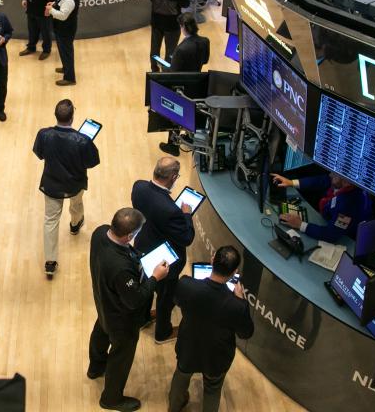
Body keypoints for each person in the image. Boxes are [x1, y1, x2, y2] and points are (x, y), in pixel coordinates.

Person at [89, 208, 170, 412]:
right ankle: (111, 398)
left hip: (103, 300)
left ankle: (96, 367)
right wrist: (155, 277)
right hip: (122, 319)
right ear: (129, 236)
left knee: (101, 329)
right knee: (121, 356)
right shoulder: (120, 268)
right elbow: (135, 300)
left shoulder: (100, 232)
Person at [168, 246, 254, 412]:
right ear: (234, 272)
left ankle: (173, 407)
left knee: (181, 376)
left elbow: (177, 300)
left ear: (212, 260)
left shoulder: (186, 284)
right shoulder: (237, 306)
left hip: (188, 347)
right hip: (217, 356)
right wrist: (241, 301)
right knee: (213, 388)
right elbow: (246, 333)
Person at [32, 99, 101, 279]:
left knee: (50, 220)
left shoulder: (44, 134)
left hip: (51, 184)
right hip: (74, 184)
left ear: (56, 116)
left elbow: (39, 154)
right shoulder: (83, 140)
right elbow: (92, 162)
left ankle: (50, 262)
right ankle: (75, 225)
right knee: (76, 205)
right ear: (72, 118)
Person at [130, 157, 195, 344]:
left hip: (142, 246)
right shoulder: (172, 211)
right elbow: (187, 238)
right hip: (164, 259)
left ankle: (143, 318)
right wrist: (186, 215)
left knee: (147, 285)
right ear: (173, 177)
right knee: (166, 296)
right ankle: (163, 333)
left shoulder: (138, 187)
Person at [270, 171, 373, 242]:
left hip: (347, 237)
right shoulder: (340, 181)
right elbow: (321, 180)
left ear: (347, 182)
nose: (330, 174)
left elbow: (331, 235)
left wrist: (300, 225)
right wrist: (291, 182)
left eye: (335, 175)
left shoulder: (349, 206)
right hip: (328, 217)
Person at [160, 14, 210, 156]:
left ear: (183, 27)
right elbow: (205, 60)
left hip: (182, 87)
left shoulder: (181, 49)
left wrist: (164, 67)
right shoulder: (205, 41)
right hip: (197, 84)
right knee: (191, 111)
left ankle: (173, 145)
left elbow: (173, 74)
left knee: (175, 113)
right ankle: (189, 136)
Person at [148, 0, 191, 72]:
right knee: (170, 51)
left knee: (155, 48)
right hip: (172, 25)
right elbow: (186, 4)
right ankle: (166, 72)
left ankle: (154, 69)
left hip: (156, 22)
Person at [46, 0, 80, 86]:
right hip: (62, 28)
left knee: (66, 52)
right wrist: (54, 4)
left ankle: (70, 78)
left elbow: (63, 16)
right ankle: (66, 68)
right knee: (63, 51)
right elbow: (61, 2)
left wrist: (51, 10)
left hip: (66, 29)